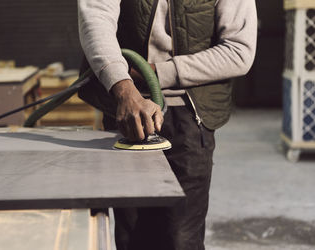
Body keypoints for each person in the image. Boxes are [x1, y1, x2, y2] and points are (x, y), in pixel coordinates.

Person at [78, 0, 257, 249]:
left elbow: (239, 50)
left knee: (181, 238)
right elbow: (96, 19)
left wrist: (156, 72)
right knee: (132, 235)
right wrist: (123, 87)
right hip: (127, 110)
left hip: (190, 116)